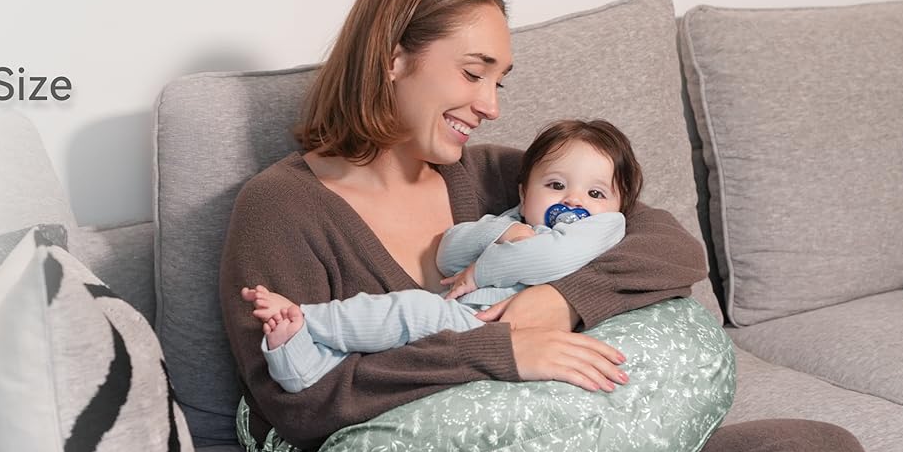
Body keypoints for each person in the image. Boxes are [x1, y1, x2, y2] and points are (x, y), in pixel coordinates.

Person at [216, 0, 876, 452]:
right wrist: (500, 351)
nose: (492, 106)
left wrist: (557, 303)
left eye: (499, 80)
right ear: (393, 57)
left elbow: (668, 246)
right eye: (474, 73)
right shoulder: (280, 207)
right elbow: (297, 402)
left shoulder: (497, 177)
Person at [242, 119, 638, 394]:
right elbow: (449, 252)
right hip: (471, 324)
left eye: (596, 193)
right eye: (555, 184)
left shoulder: (603, 227)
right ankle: (300, 360)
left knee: (412, 311)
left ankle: (308, 318)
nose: (573, 200)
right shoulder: (511, 221)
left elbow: (551, 259)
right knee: (389, 339)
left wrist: (483, 270)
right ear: (523, 193)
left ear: (619, 206)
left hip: (487, 326)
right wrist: (501, 230)